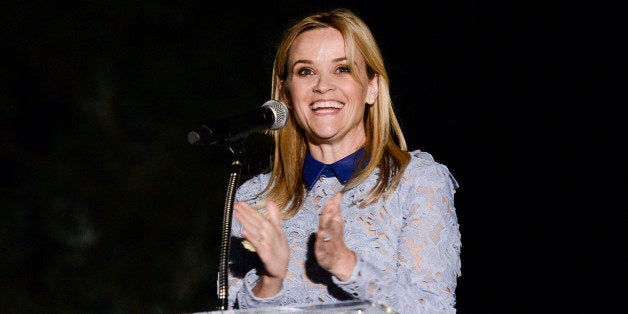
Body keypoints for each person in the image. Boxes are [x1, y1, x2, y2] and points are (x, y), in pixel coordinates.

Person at [226, 7, 461, 313]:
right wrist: (270, 279)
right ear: (285, 95)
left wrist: (346, 264)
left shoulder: (417, 181)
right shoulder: (254, 198)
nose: (323, 85)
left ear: (372, 88)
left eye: (343, 69)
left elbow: (435, 308)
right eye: (305, 71)